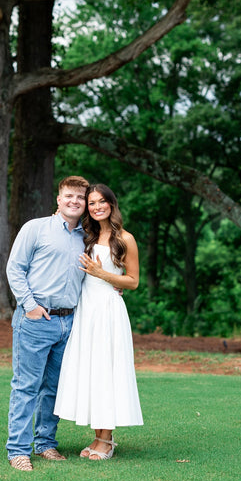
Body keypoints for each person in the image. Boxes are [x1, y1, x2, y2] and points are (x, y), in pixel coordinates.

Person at [5, 175, 90, 472]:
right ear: (58, 198)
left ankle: (45, 444)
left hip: (69, 322)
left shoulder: (85, 237)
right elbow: (14, 269)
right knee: (26, 386)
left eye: (80, 198)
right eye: (69, 196)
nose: (74, 202)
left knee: (54, 387)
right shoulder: (36, 228)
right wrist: (30, 307)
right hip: (37, 319)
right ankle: (18, 450)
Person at [54, 183, 143, 460]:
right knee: (92, 372)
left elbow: (133, 281)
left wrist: (103, 275)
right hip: (86, 310)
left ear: (111, 204)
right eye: (91, 203)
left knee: (107, 371)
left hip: (108, 311)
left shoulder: (125, 239)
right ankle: (97, 437)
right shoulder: (86, 238)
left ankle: (107, 440)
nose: (96, 207)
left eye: (102, 201)